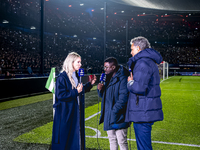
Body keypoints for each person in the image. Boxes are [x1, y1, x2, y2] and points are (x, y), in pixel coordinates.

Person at [51, 52, 96, 150]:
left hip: (74, 111)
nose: (80, 64)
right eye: (78, 62)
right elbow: (61, 95)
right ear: (71, 62)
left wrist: (89, 84)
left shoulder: (75, 75)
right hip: (65, 114)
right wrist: (76, 91)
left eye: (80, 62)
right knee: (64, 139)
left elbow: (79, 90)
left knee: (73, 138)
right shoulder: (62, 78)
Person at [125, 36, 164, 150]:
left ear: (138, 48)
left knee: (143, 147)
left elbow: (138, 88)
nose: (131, 52)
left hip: (143, 112)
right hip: (144, 110)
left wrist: (130, 82)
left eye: (132, 49)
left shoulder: (142, 63)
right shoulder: (147, 61)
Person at [97, 57, 130, 150]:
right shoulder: (107, 78)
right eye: (104, 67)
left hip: (119, 117)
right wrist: (100, 90)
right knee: (112, 140)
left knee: (122, 142)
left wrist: (113, 112)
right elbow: (104, 97)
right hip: (109, 116)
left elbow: (123, 99)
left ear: (113, 67)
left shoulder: (123, 78)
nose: (105, 69)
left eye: (107, 67)